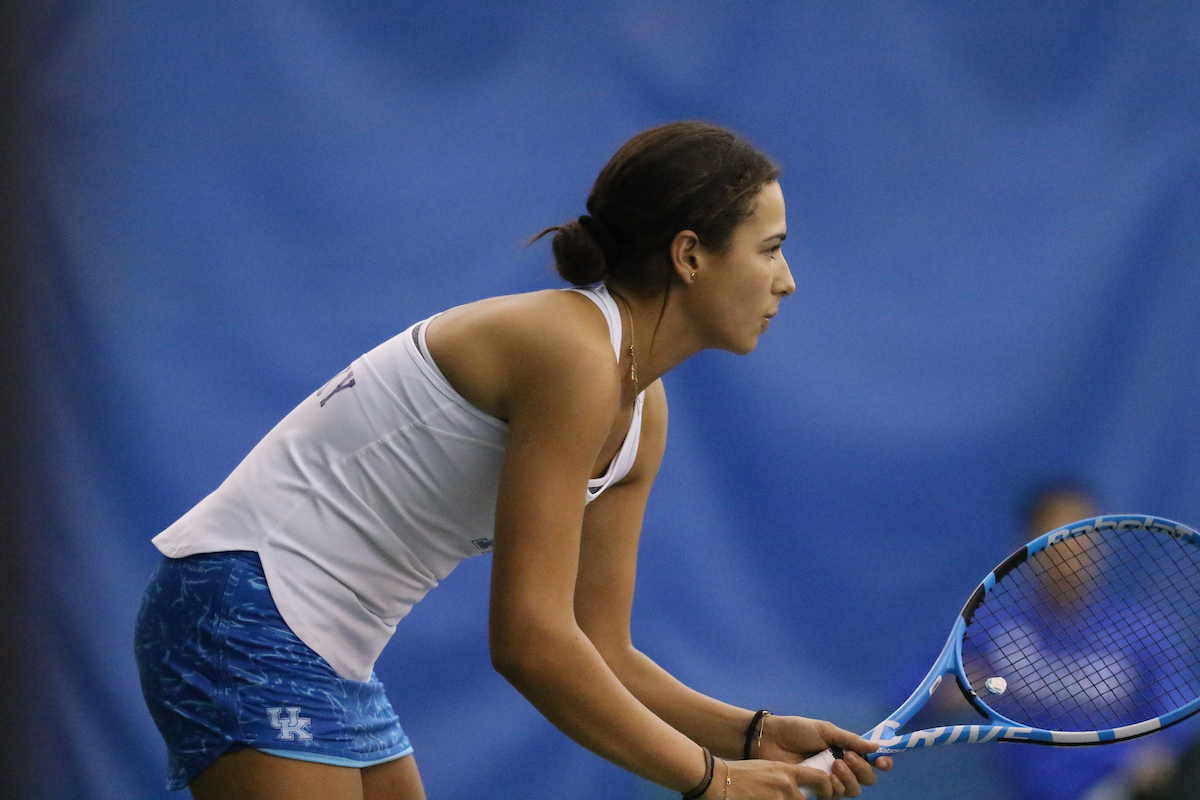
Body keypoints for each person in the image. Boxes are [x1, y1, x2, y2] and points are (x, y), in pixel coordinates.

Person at [134, 120, 893, 800]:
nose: (787, 282)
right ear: (690, 255)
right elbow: (530, 642)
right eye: (771, 251)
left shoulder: (641, 408)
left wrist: (751, 735)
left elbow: (601, 647)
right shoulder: (572, 355)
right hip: (241, 608)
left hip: (327, 643)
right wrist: (714, 781)